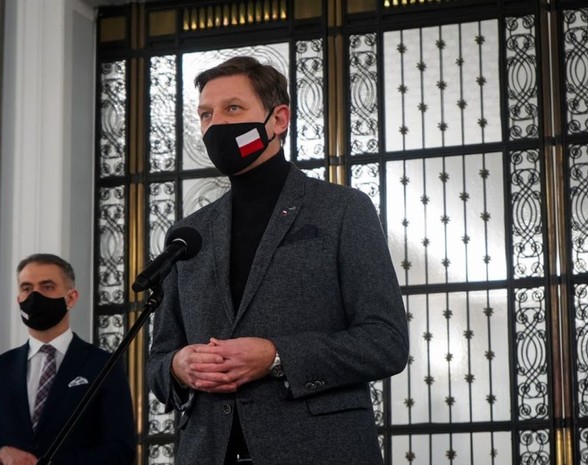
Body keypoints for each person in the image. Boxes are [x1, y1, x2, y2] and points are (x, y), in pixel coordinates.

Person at [146, 56, 409, 465]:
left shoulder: (343, 210)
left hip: (319, 452)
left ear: (279, 119)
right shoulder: (189, 234)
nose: (216, 125)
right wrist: (179, 367)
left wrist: (276, 356)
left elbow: (386, 342)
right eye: (206, 114)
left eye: (233, 108)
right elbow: (159, 360)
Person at [0, 254, 136, 465]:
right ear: (19, 299)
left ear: (71, 298)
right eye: (27, 288)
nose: (35, 296)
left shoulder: (103, 365)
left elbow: (121, 450)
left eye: (47, 287)